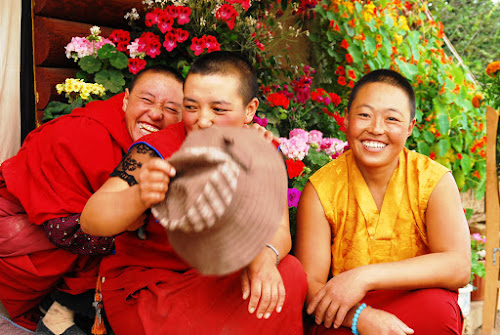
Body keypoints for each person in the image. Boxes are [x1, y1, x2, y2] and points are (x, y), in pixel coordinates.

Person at [80, 51, 308, 334]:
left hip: (216, 278)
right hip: (154, 286)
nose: (202, 120)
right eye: (191, 107)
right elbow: (91, 219)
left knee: (290, 273)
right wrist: (139, 196)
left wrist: (265, 257)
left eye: (219, 110)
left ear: (250, 110)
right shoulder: (155, 151)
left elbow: (278, 228)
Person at [0, 65, 184, 333]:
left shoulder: (163, 146)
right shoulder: (84, 133)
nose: (156, 114)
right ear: (124, 100)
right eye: (146, 100)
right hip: (26, 231)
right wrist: (127, 223)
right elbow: (60, 230)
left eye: (171, 109)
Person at [295, 69, 470, 335]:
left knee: (438, 310)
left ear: (410, 127)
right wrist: (361, 319)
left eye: (391, 119)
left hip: (414, 304)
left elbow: (457, 266)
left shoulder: (433, 181)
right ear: (346, 119)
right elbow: (311, 284)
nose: (376, 129)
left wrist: (365, 277)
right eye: (364, 115)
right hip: (349, 311)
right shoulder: (321, 189)